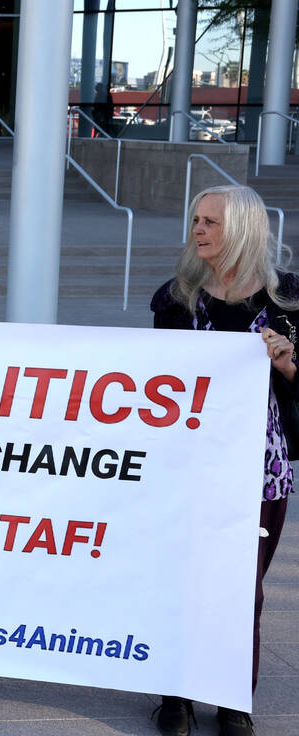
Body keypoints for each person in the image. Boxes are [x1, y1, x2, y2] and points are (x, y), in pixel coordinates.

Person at [150, 185, 298, 736]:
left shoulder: (288, 301)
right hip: (187, 469)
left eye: (211, 220)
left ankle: (234, 699)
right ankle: (176, 696)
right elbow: (154, 380)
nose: (198, 229)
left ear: (243, 228)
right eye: (195, 219)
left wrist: (286, 362)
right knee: (182, 581)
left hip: (261, 472)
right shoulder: (176, 299)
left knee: (244, 589)